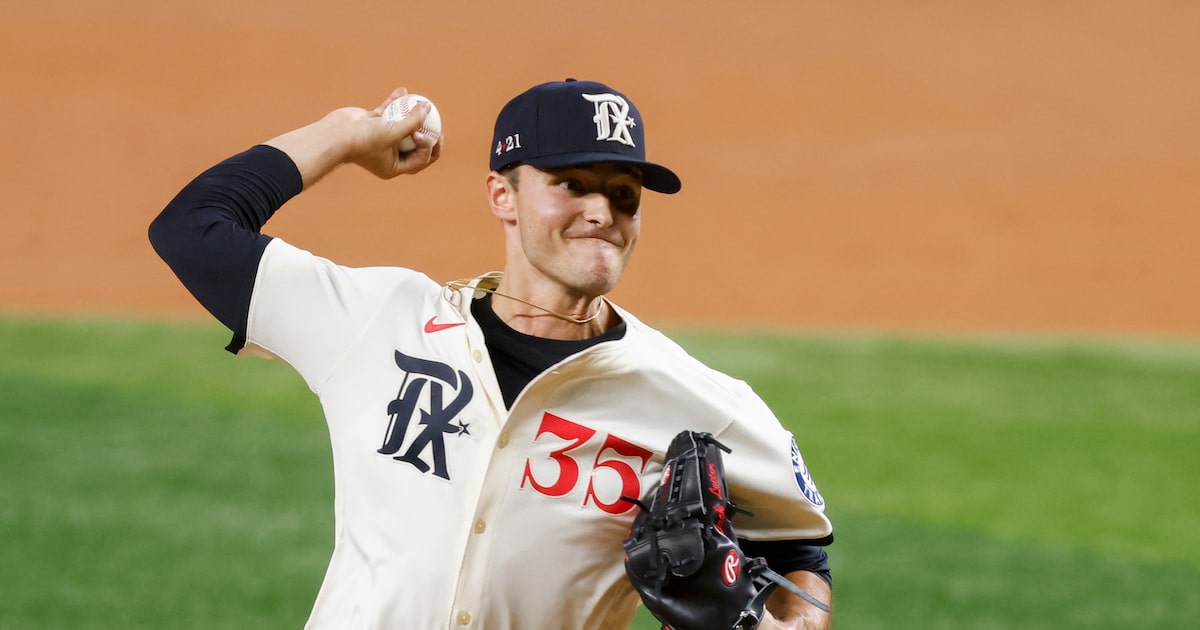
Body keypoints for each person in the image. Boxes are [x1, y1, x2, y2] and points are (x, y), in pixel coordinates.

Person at [149, 78, 834, 630]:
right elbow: (193, 227)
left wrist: (788, 623)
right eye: (573, 185)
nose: (603, 211)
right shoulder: (383, 322)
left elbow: (800, 548)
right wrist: (350, 132)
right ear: (501, 195)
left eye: (623, 195)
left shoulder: (697, 400)